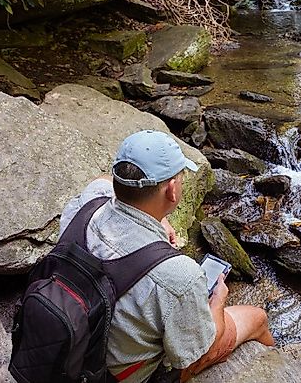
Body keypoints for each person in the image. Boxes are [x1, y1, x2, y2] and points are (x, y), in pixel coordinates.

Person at [60, 130, 275, 383]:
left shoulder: (89, 203)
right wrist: (217, 301)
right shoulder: (179, 276)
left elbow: (102, 180)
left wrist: (159, 218)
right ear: (172, 190)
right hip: (119, 375)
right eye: (180, 179)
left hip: (70, 342)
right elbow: (194, 351)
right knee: (257, 318)